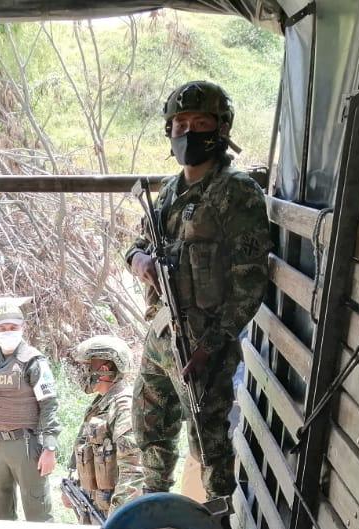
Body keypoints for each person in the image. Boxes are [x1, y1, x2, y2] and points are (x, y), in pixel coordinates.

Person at [126, 80, 271, 499]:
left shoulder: (237, 192)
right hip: (161, 334)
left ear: (221, 129)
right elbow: (138, 243)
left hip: (203, 344)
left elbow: (250, 283)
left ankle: (218, 528)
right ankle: (154, 511)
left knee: (208, 445)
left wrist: (211, 344)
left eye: (200, 122)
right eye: (180, 123)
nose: (188, 132)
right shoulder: (171, 190)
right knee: (149, 426)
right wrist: (138, 260)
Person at [0, 308, 59, 522]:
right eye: (2, 328)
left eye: (13, 327)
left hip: (27, 445)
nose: (7, 332)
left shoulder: (33, 361)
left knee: (37, 511)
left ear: (22, 328)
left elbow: (49, 404)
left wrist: (49, 447)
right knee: (0, 508)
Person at [64, 335, 146, 521]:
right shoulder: (100, 405)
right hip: (95, 510)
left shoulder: (124, 406)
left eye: (87, 366)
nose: (83, 372)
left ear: (104, 369)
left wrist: (117, 521)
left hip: (112, 518)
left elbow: (133, 471)